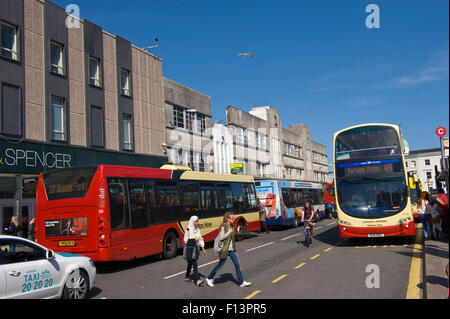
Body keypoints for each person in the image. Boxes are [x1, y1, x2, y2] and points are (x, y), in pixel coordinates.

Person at [205, 212, 251, 288]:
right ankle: (209, 277)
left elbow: (231, 239)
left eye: (234, 218)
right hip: (225, 249)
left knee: (237, 265)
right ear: (227, 218)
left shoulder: (232, 226)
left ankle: (241, 282)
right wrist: (229, 231)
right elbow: (222, 237)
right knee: (220, 265)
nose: (233, 219)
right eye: (232, 218)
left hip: (231, 249)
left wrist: (234, 247)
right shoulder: (224, 226)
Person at [184, 216, 206, 287]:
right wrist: (194, 240)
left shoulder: (197, 229)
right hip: (190, 249)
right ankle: (197, 280)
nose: (197, 222)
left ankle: (187, 277)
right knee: (195, 264)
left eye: (198, 221)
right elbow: (185, 240)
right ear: (192, 222)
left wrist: (203, 247)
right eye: (196, 221)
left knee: (190, 263)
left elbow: (200, 238)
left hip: (195, 249)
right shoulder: (188, 230)